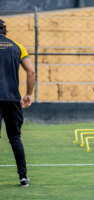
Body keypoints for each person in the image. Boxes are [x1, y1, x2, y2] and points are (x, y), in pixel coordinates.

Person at [0, 19, 35, 186]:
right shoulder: (17, 46)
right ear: (5, 31)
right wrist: (28, 94)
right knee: (15, 138)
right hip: (12, 99)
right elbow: (31, 71)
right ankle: (23, 177)